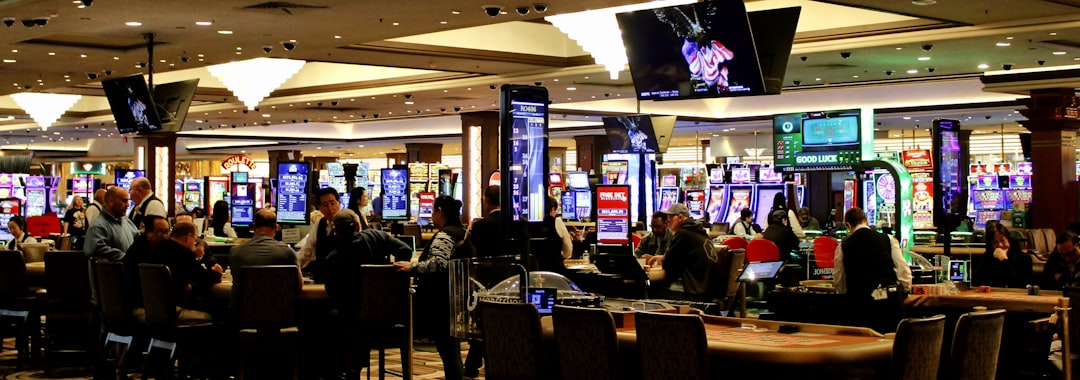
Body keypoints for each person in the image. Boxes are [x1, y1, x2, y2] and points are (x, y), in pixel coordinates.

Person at [394, 196, 473, 380]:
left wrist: (411, 267)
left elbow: (438, 263)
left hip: (442, 298)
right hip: (458, 295)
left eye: (433, 212)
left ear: (439, 211)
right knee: (451, 349)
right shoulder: (462, 232)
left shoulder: (446, 234)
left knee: (448, 349)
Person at [832, 207, 911, 333]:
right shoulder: (888, 239)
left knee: (865, 348)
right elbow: (903, 270)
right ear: (866, 221)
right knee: (893, 345)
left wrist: (846, 295)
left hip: (860, 306)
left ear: (848, 225)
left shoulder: (843, 246)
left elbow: (839, 280)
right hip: (890, 304)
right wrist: (905, 290)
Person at [140, 221, 223, 317]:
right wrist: (217, 273)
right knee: (218, 310)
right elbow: (204, 277)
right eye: (194, 239)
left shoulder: (158, 248)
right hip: (172, 307)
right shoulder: (183, 254)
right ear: (188, 237)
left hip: (150, 305)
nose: (194, 243)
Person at [462, 185, 503, 378]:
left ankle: (473, 364)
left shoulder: (481, 226)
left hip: (485, 280)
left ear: (486, 201)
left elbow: (471, 253)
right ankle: (491, 361)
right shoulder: (518, 222)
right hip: (512, 279)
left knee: (482, 323)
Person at [646, 203, 719, 302]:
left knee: (650, 289)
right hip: (707, 290)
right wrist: (664, 257)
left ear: (680, 217)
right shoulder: (699, 232)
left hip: (694, 293)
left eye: (670, 218)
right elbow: (685, 258)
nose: (668, 222)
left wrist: (665, 260)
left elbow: (669, 265)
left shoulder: (683, 233)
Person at [122, 215, 172, 306]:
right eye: (160, 232)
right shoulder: (138, 252)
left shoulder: (164, 247)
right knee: (205, 316)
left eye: (167, 231)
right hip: (148, 305)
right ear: (148, 233)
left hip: (155, 303)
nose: (165, 236)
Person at [298, 187, 342, 283]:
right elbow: (308, 249)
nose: (330, 208)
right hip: (322, 277)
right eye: (325, 205)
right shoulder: (320, 223)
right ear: (319, 207)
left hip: (343, 277)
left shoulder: (350, 220)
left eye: (332, 203)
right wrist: (295, 266)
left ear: (339, 203)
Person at [229, 208, 298, 269]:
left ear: (253, 227)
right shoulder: (287, 252)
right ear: (276, 228)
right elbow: (299, 282)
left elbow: (235, 278)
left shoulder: (235, 252)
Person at [84, 186, 139, 262]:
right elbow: (95, 249)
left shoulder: (127, 221)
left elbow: (137, 240)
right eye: (124, 201)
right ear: (111, 202)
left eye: (128, 201)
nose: (127, 205)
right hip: (110, 273)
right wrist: (125, 258)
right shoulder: (98, 226)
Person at [974, 223, 1033, 288]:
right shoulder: (987, 257)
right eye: (995, 242)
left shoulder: (1024, 258)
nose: (1000, 245)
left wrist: (1004, 260)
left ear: (1008, 239)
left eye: (1003, 240)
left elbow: (1019, 285)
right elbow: (976, 282)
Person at [467, 185, 505, 259]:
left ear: (487, 200)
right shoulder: (514, 222)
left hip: (487, 268)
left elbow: (476, 252)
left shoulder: (480, 225)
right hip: (513, 267)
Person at [537, 196, 571, 272]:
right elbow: (568, 249)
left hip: (534, 270)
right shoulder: (557, 222)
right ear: (552, 209)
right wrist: (563, 255)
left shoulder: (530, 223)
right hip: (555, 270)